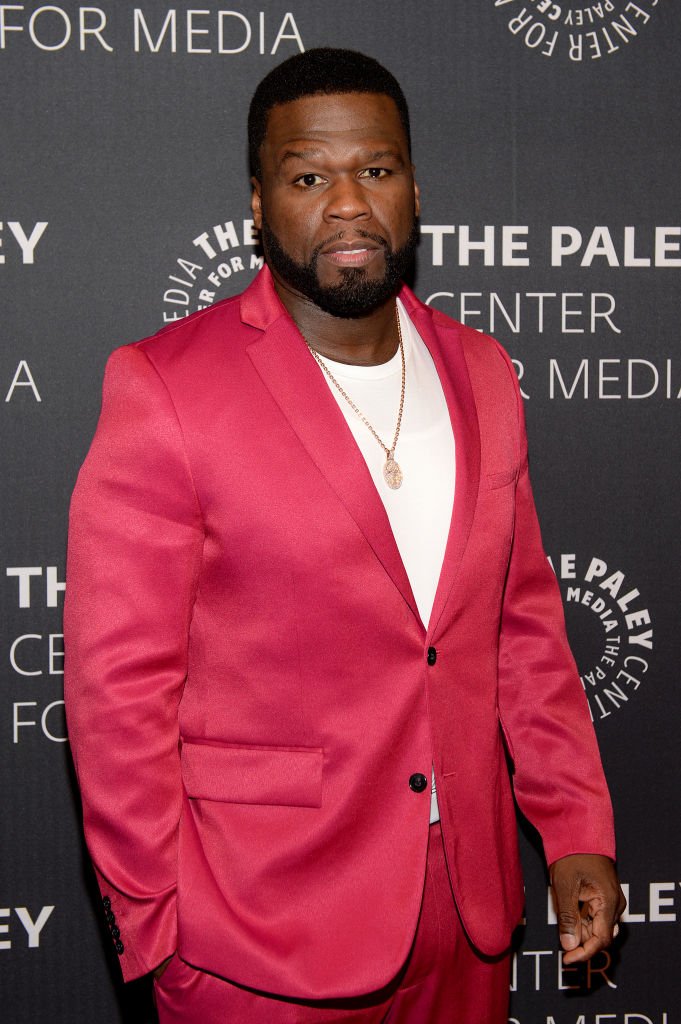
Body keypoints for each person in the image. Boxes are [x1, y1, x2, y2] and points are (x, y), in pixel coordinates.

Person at [64, 48, 625, 1024]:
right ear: (256, 202)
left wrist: (575, 826)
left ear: (416, 185)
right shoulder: (166, 387)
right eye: (308, 175)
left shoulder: (482, 370)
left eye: (376, 168)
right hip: (259, 939)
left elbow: (524, 628)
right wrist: (157, 928)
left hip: (468, 921)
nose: (349, 204)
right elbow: (117, 692)